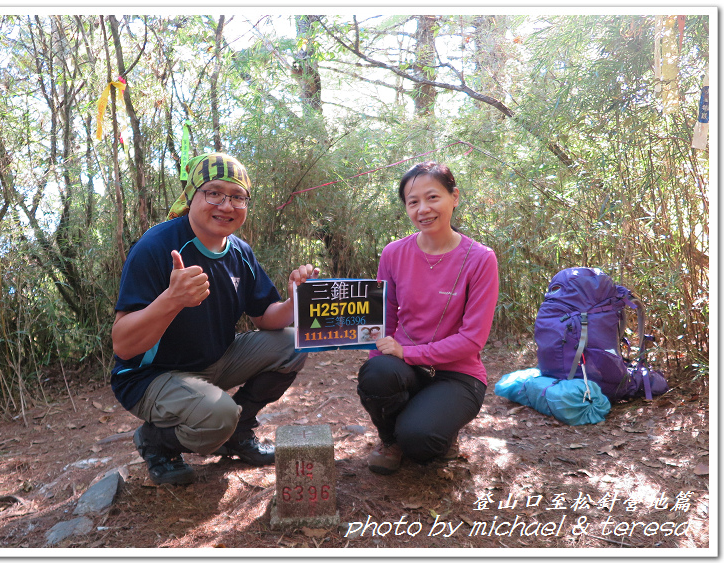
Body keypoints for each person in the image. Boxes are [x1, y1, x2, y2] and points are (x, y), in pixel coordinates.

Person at [111, 153, 318, 485]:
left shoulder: (240, 252)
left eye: (238, 197)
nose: (226, 205)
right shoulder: (156, 247)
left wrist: (295, 300)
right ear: (192, 196)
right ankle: (156, 443)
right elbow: (123, 345)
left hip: (215, 362)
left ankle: (239, 432)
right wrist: (171, 300)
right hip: (150, 377)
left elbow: (266, 317)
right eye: (214, 193)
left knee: (295, 342)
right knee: (219, 415)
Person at [357, 161, 499, 475]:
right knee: (376, 373)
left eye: (432, 197)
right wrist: (377, 361)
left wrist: (408, 352)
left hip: (457, 375)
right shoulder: (393, 253)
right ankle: (389, 438)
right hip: (405, 368)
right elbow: (384, 318)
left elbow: (473, 338)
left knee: (421, 444)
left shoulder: (480, 259)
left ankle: (435, 427)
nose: (424, 209)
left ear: (454, 197)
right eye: (413, 202)